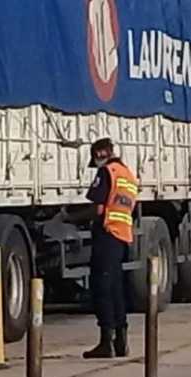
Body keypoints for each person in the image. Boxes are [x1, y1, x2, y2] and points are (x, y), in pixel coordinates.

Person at [58, 138, 138, 358]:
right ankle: (121, 341)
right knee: (116, 288)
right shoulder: (128, 175)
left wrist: (70, 217)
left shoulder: (107, 172)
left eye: (95, 157)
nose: (95, 162)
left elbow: (98, 209)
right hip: (122, 235)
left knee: (101, 287)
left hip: (107, 233)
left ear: (102, 153)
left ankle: (106, 342)